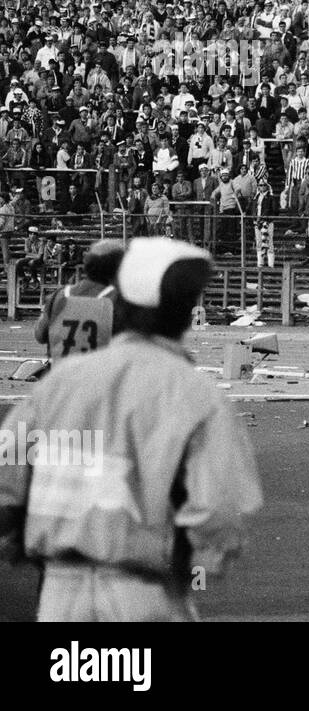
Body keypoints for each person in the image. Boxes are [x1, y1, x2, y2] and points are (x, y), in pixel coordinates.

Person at [0, 238, 262, 621]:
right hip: (141, 591)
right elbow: (220, 509)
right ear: (187, 315)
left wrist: (16, 542)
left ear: (121, 306)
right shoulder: (194, 394)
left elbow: (7, 476)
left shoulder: (56, 385)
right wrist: (199, 567)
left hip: (59, 591)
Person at [34, 239, 126, 364]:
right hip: (99, 377)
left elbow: (40, 335)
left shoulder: (59, 296)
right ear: (117, 269)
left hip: (61, 376)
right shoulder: (116, 299)